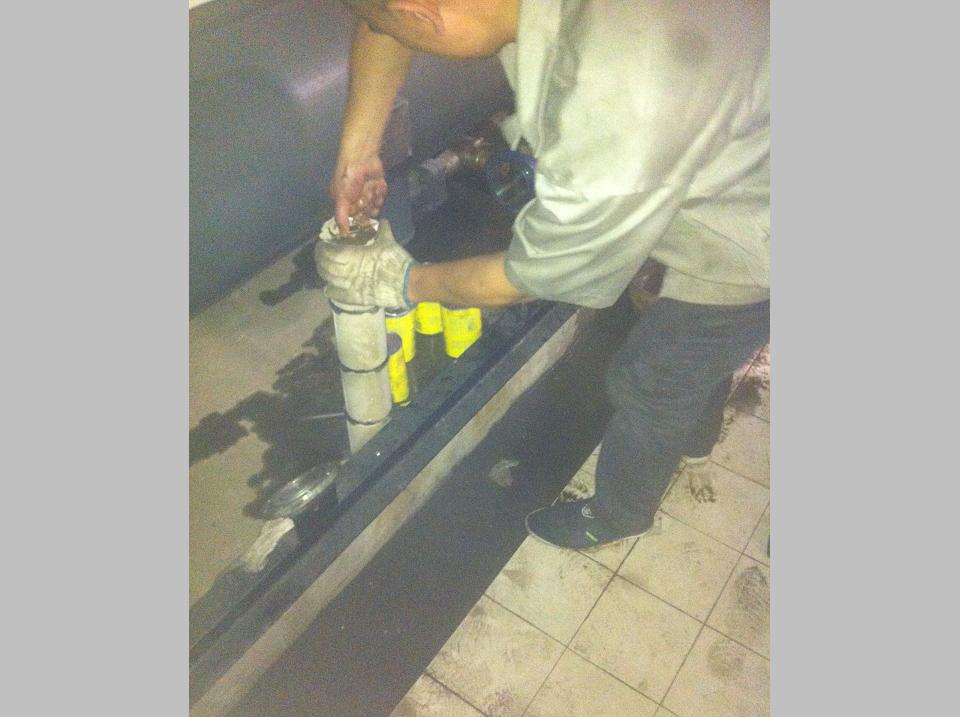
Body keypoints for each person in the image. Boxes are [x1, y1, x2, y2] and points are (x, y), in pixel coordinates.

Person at [317, 0, 770, 550]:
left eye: (403, 30)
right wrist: (358, 151)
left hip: (760, 233)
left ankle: (618, 516)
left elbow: (543, 274)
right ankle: (695, 435)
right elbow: (384, 21)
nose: (391, 36)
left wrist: (400, 282)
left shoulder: (626, 91)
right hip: (739, 126)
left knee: (650, 382)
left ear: (423, 11)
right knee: (692, 366)